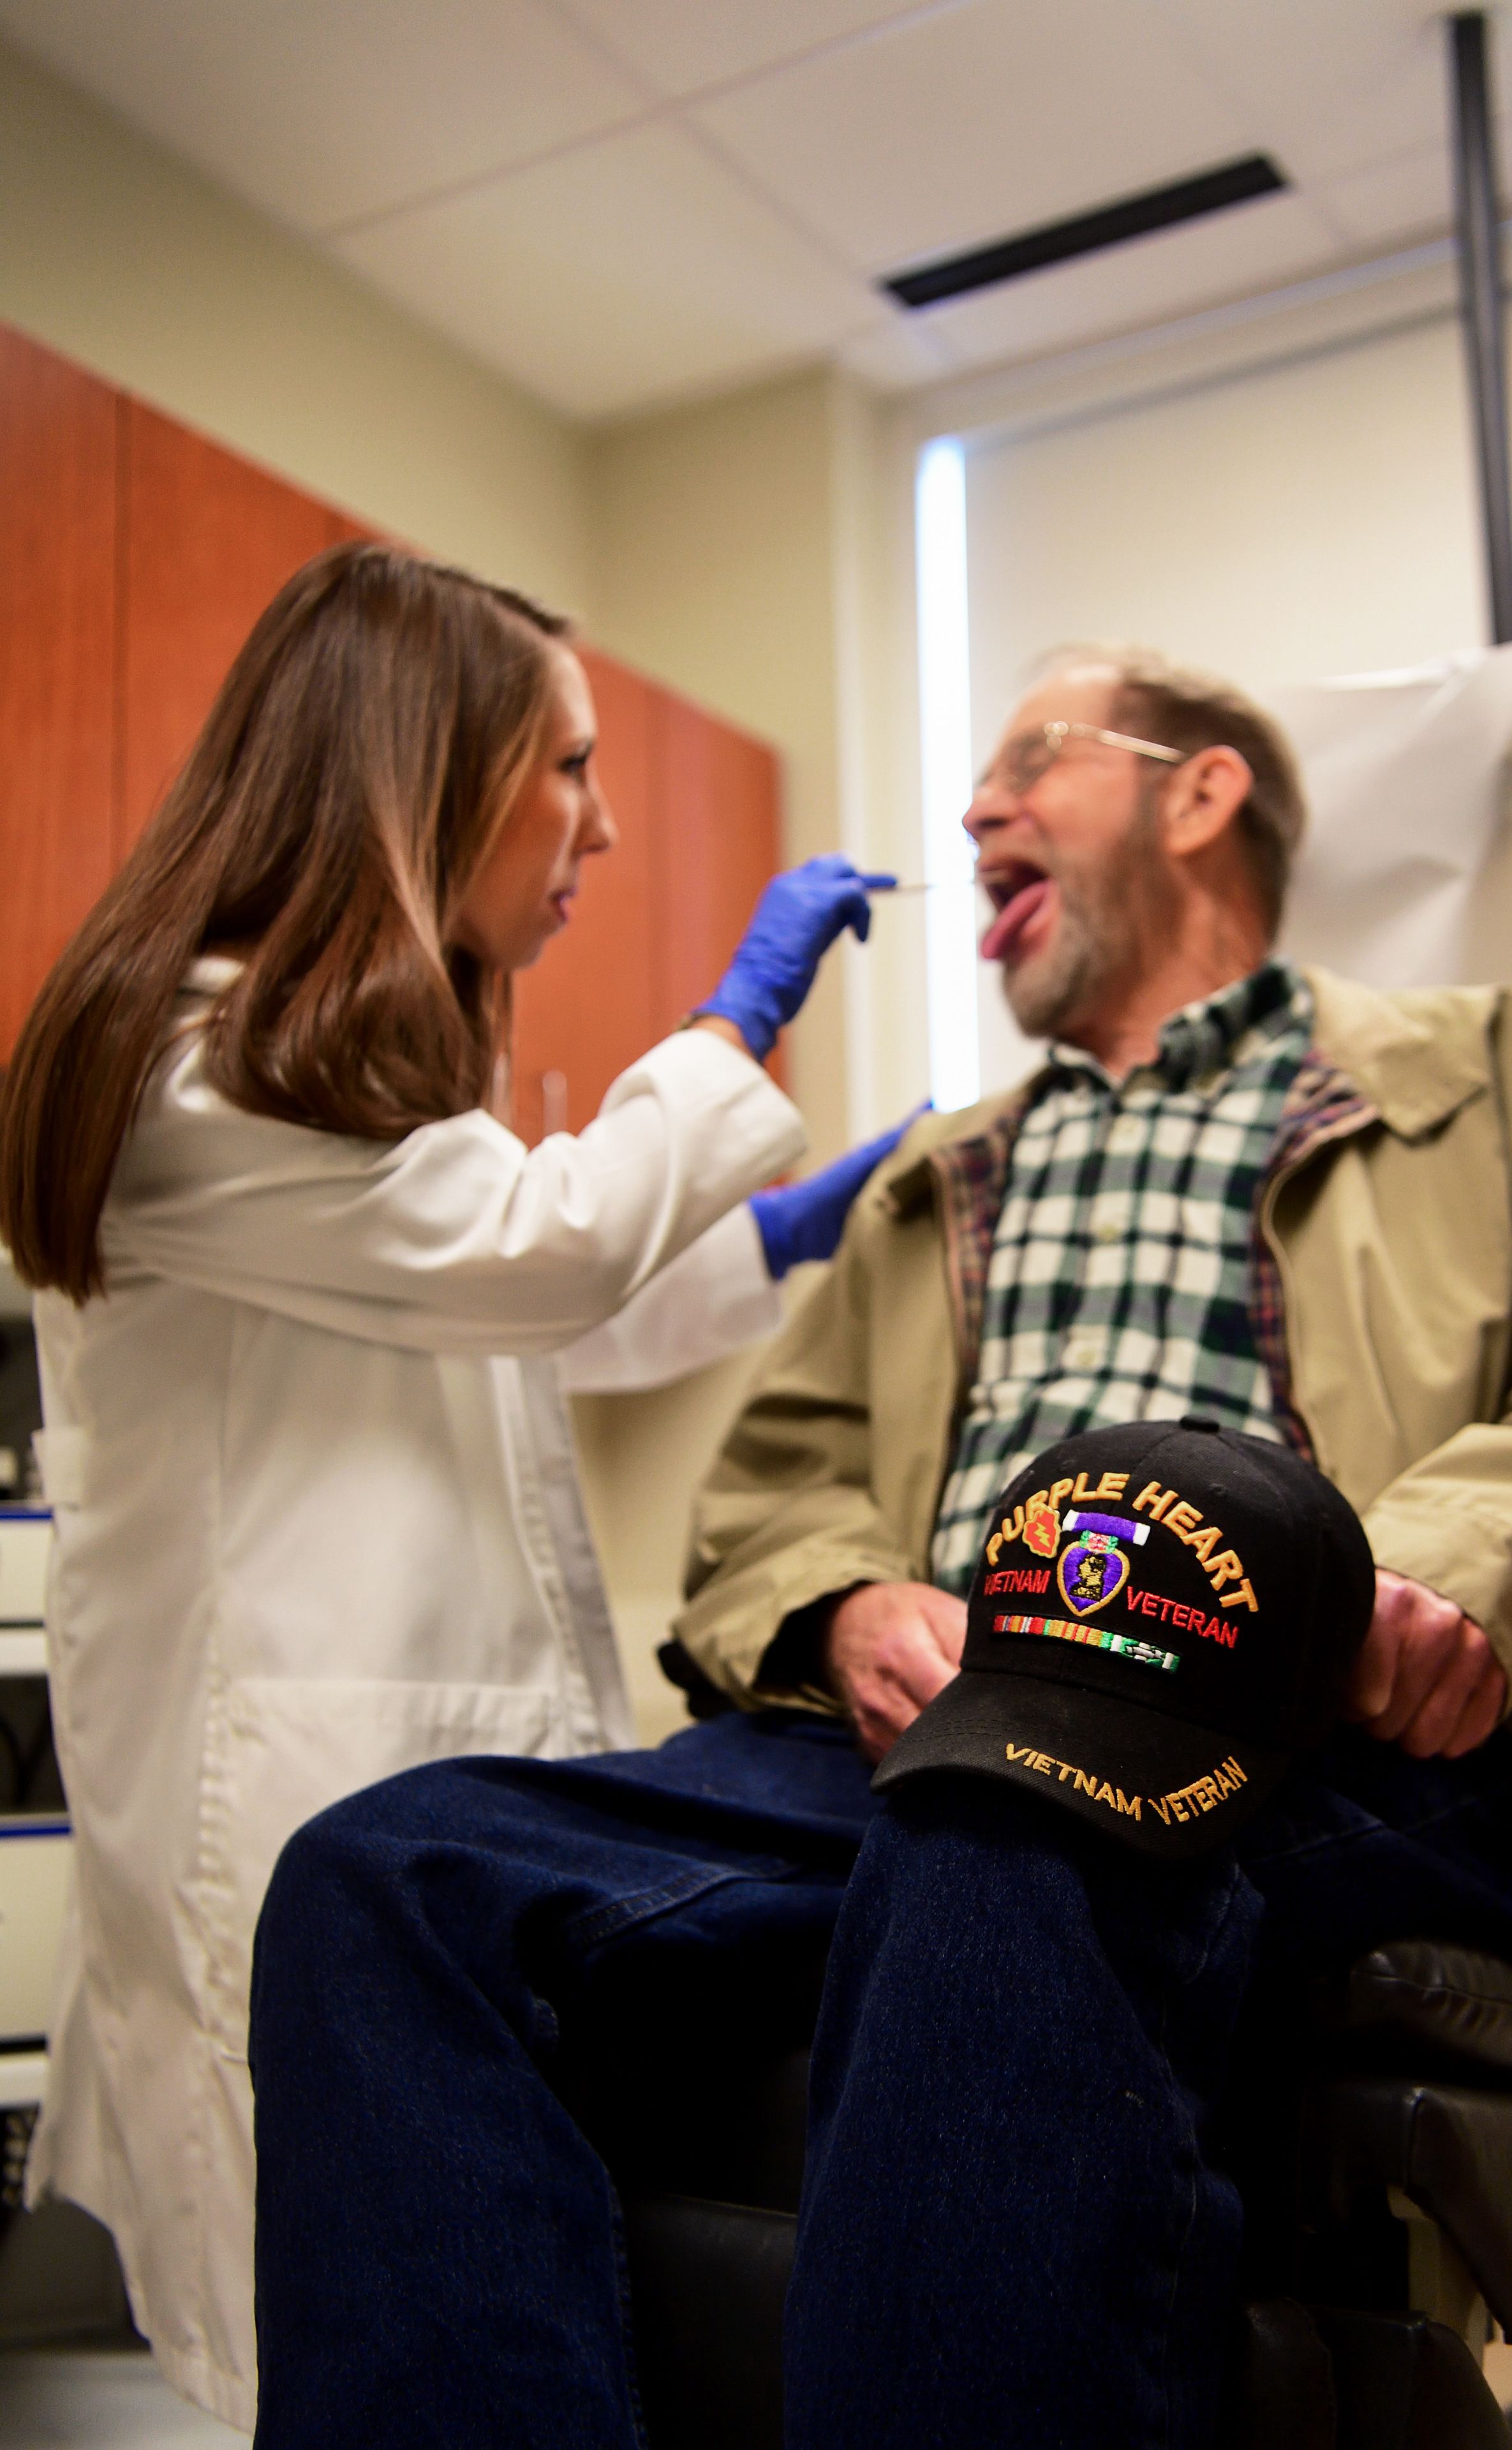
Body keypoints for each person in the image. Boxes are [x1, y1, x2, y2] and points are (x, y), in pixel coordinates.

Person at [247, 644, 1512, 2449]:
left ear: (1200, 793)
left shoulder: (1483, 1076)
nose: (975, 808)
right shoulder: (939, 1174)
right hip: (924, 1736)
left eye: (1030, 760)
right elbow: (773, 1492)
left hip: (1314, 1716)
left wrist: (1447, 1563)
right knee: (383, 1878)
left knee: (1034, 1802)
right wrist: (843, 1606)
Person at [0, 542, 900, 2431]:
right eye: (565, 764)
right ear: (420, 766)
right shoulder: (194, 1073)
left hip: (431, 1788)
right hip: (296, 1792)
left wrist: (784, 1240)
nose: (606, 820)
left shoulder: (357, 1082)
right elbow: (526, 1261)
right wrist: (734, 1028)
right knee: (328, 2337)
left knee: (447, 2304)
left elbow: (512, 1324)